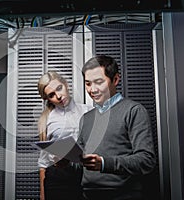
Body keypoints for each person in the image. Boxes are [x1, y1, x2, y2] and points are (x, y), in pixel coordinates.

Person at [78, 55, 156, 200]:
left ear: (115, 79)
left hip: (123, 195)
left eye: (99, 82)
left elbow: (146, 160)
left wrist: (103, 163)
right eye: (88, 83)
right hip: (88, 194)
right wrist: (65, 161)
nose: (92, 89)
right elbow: (81, 162)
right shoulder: (86, 119)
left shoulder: (133, 111)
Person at [37, 71, 93, 200]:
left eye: (59, 88)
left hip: (87, 174)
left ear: (66, 84)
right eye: (52, 95)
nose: (58, 96)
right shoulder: (47, 120)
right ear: (47, 99)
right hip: (58, 177)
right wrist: (42, 194)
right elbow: (43, 162)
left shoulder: (89, 111)